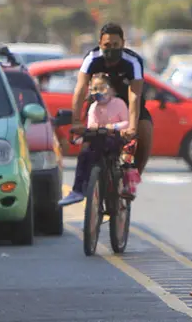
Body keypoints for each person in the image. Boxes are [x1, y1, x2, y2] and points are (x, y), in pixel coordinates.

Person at [70, 22, 152, 176]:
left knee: (145, 132)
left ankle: (133, 177)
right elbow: (80, 89)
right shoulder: (92, 58)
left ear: (123, 44)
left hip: (128, 106)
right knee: (87, 141)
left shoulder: (133, 61)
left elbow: (135, 95)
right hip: (99, 104)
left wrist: (132, 127)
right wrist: (75, 120)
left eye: (116, 44)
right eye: (107, 45)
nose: (111, 48)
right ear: (100, 44)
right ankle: (87, 182)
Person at [59, 74, 136, 206]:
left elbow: (126, 122)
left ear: (111, 90)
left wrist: (113, 127)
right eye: (94, 89)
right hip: (98, 139)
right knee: (84, 155)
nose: (98, 92)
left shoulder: (119, 103)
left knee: (126, 157)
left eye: (102, 88)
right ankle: (78, 190)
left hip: (116, 139)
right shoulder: (94, 107)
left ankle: (127, 186)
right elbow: (91, 125)